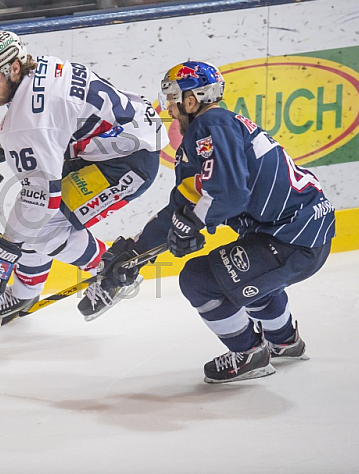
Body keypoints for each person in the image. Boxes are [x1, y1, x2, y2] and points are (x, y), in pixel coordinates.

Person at [90, 61, 335, 384]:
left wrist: (191, 222)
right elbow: (183, 204)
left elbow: (229, 193)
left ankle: (249, 353)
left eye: (172, 99)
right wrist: (135, 252)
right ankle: (285, 341)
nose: (169, 109)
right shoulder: (212, 134)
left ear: (191, 100)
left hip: (292, 238)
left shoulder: (212, 126)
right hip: (300, 232)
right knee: (248, 277)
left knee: (198, 279)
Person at [0, 29, 165, 322]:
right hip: (111, 143)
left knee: (39, 226)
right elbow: (33, 115)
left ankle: (113, 270)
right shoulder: (42, 67)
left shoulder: (30, 121)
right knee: (30, 222)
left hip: (127, 162)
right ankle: (23, 295)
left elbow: (41, 197)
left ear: (15, 68)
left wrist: (5, 247)